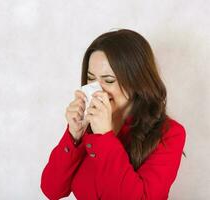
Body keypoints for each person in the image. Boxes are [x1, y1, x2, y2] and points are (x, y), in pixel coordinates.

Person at [40, 29, 186, 200]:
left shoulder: (170, 133)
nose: (96, 89)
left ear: (137, 81)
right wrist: (73, 136)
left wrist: (104, 137)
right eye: (90, 78)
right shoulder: (88, 125)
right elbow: (52, 189)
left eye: (108, 80)